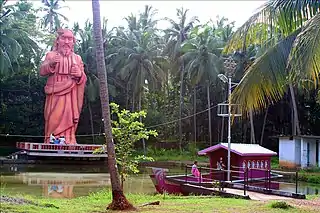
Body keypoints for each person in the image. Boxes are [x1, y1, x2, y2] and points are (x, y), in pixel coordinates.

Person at [40, 29, 87, 145]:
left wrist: (80, 74)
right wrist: (51, 64)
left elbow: (83, 77)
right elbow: (42, 71)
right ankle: (50, 140)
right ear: (58, 41)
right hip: (55, 91)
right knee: (53, 117)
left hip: (71, 94)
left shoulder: (77, 58)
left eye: (69, 39)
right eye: (63, 38)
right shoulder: (51, 55)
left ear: (73, 42)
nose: (66, 41)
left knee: (70, 117)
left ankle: (69, 140)